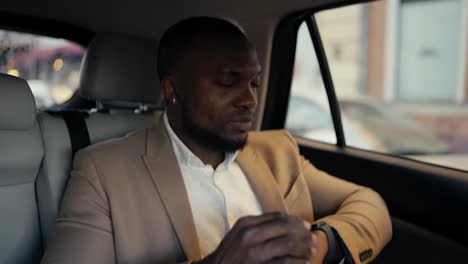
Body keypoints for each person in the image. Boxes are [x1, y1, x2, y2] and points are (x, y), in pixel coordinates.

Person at [42, 17, 392, 264]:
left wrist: (318, 246)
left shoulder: (275, 152)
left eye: (254, 83)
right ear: (172, 89)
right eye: (228, 81)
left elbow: (369, 203)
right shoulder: (103, 170)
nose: (250, 99)